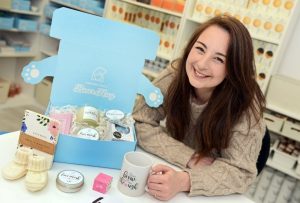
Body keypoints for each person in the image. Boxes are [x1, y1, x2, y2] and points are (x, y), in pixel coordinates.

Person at [132, 15, 266, 201]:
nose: (201, 64)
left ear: (233, 68)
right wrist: (190, 157)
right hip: (170, 164)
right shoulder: (175, 74)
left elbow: (241, 173)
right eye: (200, 49)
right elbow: (138, 121)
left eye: (218, 59)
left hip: (210, 190)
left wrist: (184, 181)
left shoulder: (247, 106)